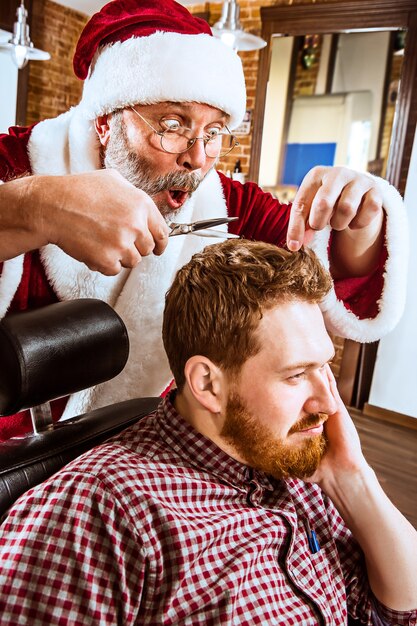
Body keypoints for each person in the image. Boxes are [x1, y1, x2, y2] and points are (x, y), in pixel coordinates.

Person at [0, 0, 408, 440]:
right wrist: (36, 205)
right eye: (173, 124)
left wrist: (357, 215)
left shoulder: (221, 200)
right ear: (105, 122)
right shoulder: (20, 162)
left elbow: (313, 252)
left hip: (136, 449)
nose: (197, 158)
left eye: (213, 133)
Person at [0, 240, 415, 625]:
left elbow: (393, 612)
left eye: (323, 366)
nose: (327, 403)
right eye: (296, 374)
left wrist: (354, 479)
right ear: (208, 384)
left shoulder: (298, 457)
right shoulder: (99, 512)